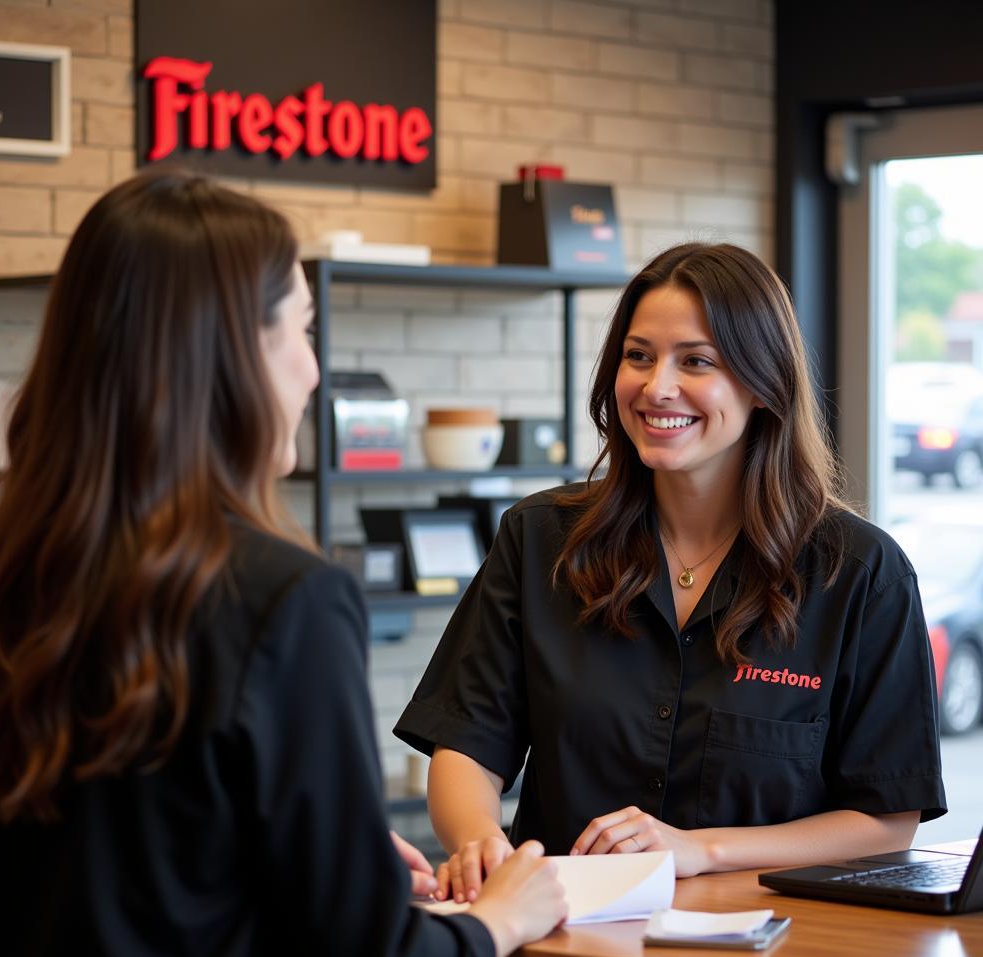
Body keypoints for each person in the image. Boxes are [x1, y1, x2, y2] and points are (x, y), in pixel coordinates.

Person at [0, 170, 566, 957]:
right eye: (305, 330)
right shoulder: (288, 600)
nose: (315, 372)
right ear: (231, 353)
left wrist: (326, 861)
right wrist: (500, 921)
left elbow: (111, 862)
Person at [394, 242, 947, 904]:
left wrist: (700, 850)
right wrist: (477, 839)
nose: (657, 387)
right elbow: (467, 744)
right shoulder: (539, 540)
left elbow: (886, 821)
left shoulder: (860, 574)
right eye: (638, 356)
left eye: (697, 362)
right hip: (561, 946)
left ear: (762, 384)